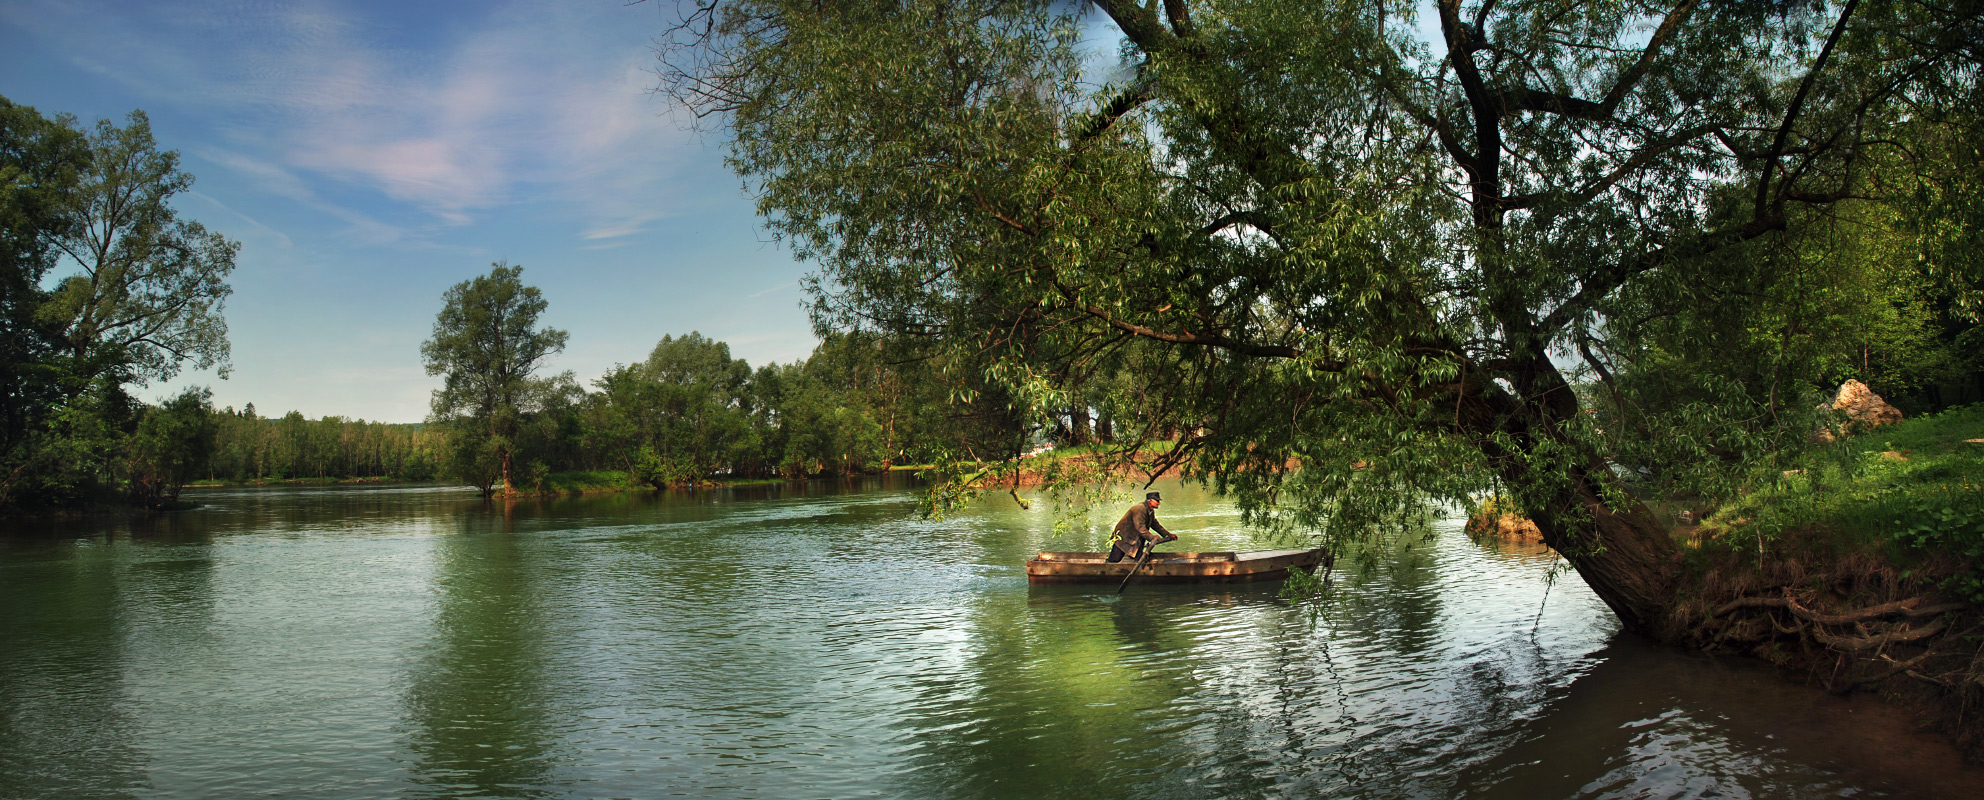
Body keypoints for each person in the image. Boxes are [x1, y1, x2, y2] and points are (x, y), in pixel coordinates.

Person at [1107, 491, 1176, 563]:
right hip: (1123, 537)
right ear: (1150, 501)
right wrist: (1152, 537)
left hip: (1135, 539)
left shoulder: (1150, 510)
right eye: (1157, 501)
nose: (1159, 503)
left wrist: (1167, 534)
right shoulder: (1140, 509)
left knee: (1140, 559)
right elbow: (1140, 528)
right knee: (1114, 560)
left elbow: (1155, 524)